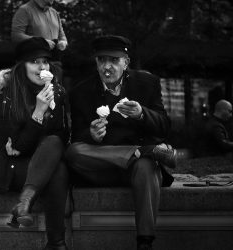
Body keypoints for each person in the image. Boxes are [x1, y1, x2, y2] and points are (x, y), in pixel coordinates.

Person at [65, 35, 178, 250]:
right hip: (102, 167)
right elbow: (78, 139)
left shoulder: (147, 83)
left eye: (114, 61)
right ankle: (144, 151)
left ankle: (145, 241)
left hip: (136, 169)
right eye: (101, 60)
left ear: (126, 62)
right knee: (73, 151)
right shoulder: (80, 92)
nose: (107, 67)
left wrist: (142, 114)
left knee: (146, 166)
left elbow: (164, 127)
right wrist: (91, 135)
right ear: (95, 62)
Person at [0, 37, 70, 250]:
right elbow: (18, 147)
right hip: (9, 167)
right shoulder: (7, 95)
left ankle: (24, 205)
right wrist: (39, 112)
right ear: (22, 66)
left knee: (54, 149)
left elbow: (61, 135)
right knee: (56, 169)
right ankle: (56, 244)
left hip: (42, 161)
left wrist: (51, 108)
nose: (42, 67)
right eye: (35, 61)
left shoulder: (56, 92)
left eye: (45, 61)